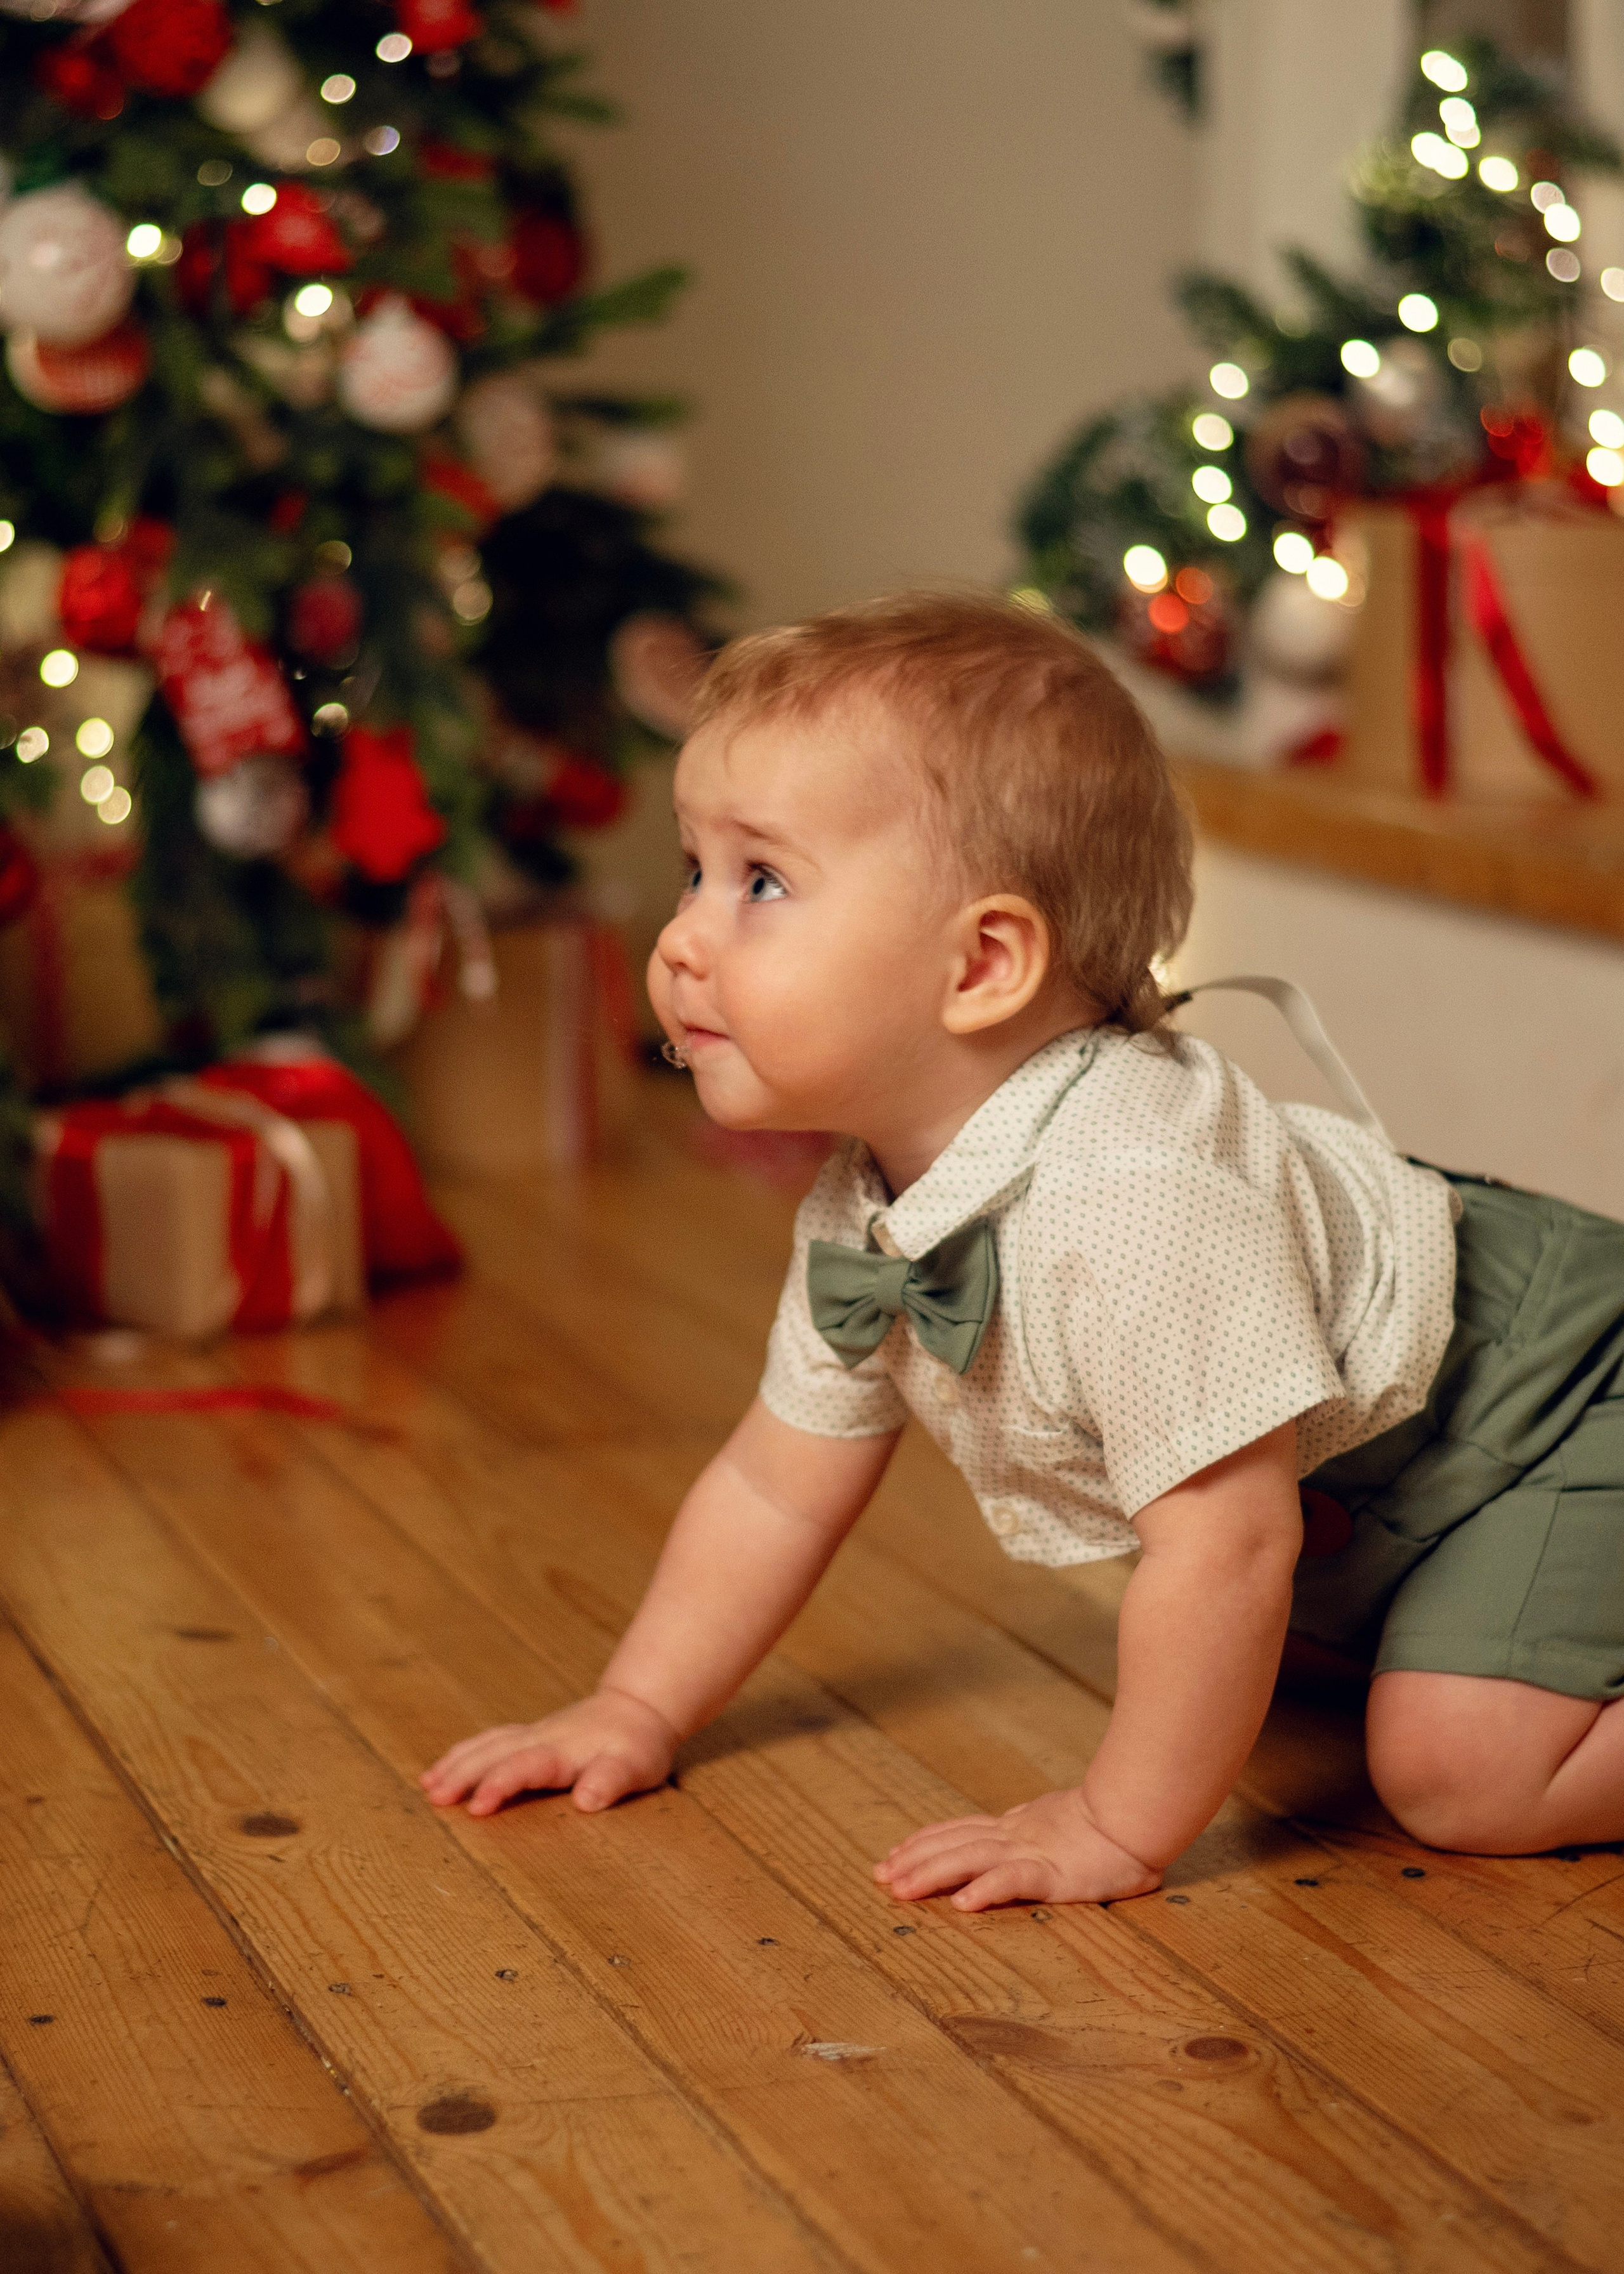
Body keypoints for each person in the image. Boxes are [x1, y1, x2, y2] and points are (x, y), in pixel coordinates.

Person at [422, 591, 1624, 1907]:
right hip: (1378, 1489)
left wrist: (1114, 1826)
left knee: (1458, 1767)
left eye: (759, 881)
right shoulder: (870, 1201)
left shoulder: (1137, 1197)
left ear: (983, 962)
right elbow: (775, 1486)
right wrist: (631, 1706)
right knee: (1261, 1674)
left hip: (1563, 1400)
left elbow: (1224, 1546)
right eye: (693, 869)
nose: (681, 936)